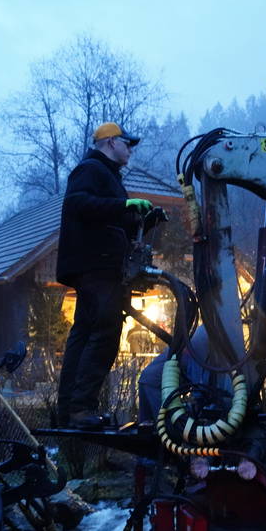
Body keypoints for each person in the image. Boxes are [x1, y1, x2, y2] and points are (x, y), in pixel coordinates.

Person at [56, 122, 158, 429]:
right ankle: (80, 409)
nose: (130, 150)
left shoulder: (109, 177)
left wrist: (146, 219)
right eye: (127, 144)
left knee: (85, 333)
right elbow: (77, 203)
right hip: (96, 266)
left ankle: (70, 410)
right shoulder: (91, 169)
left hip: (98, 266)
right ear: (111, 142)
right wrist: (122, 204)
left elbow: (111, 218)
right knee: (105, 333)